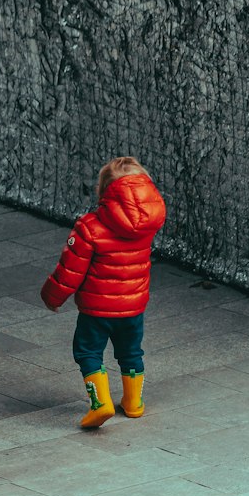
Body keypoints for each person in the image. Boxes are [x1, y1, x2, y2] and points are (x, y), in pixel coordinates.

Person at [41, 157, 167, 428]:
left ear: (105, 190)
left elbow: (70, 271)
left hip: (96, 310)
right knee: (131, 352)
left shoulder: (89, 226)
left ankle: (101, 404)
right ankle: (133, 404)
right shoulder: (148, 224)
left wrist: (52, 296)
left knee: (87, 352)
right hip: (134, 306)